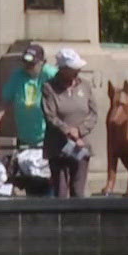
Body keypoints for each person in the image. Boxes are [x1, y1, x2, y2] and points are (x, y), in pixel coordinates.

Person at [0, 43, 56, 192]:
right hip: (26, 138)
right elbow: (5, 101)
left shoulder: (50, 74)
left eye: (32, 64)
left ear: (42, 62)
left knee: (47, 182)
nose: (28, 67)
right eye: (26, 63)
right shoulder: (18, 76)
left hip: (46, 139)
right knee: (30, 181)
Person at [41, 48, 99, 198]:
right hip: (57, 147)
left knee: (78, 191)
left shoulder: (85, 86)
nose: (78, 71)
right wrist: (67, 130)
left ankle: (79, 220)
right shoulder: (49, 88)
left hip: (80, 146)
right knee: (60, 192)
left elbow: (93, 113)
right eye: (73, 68)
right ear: (63, 69)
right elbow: (50, 115)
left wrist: (79, 131)